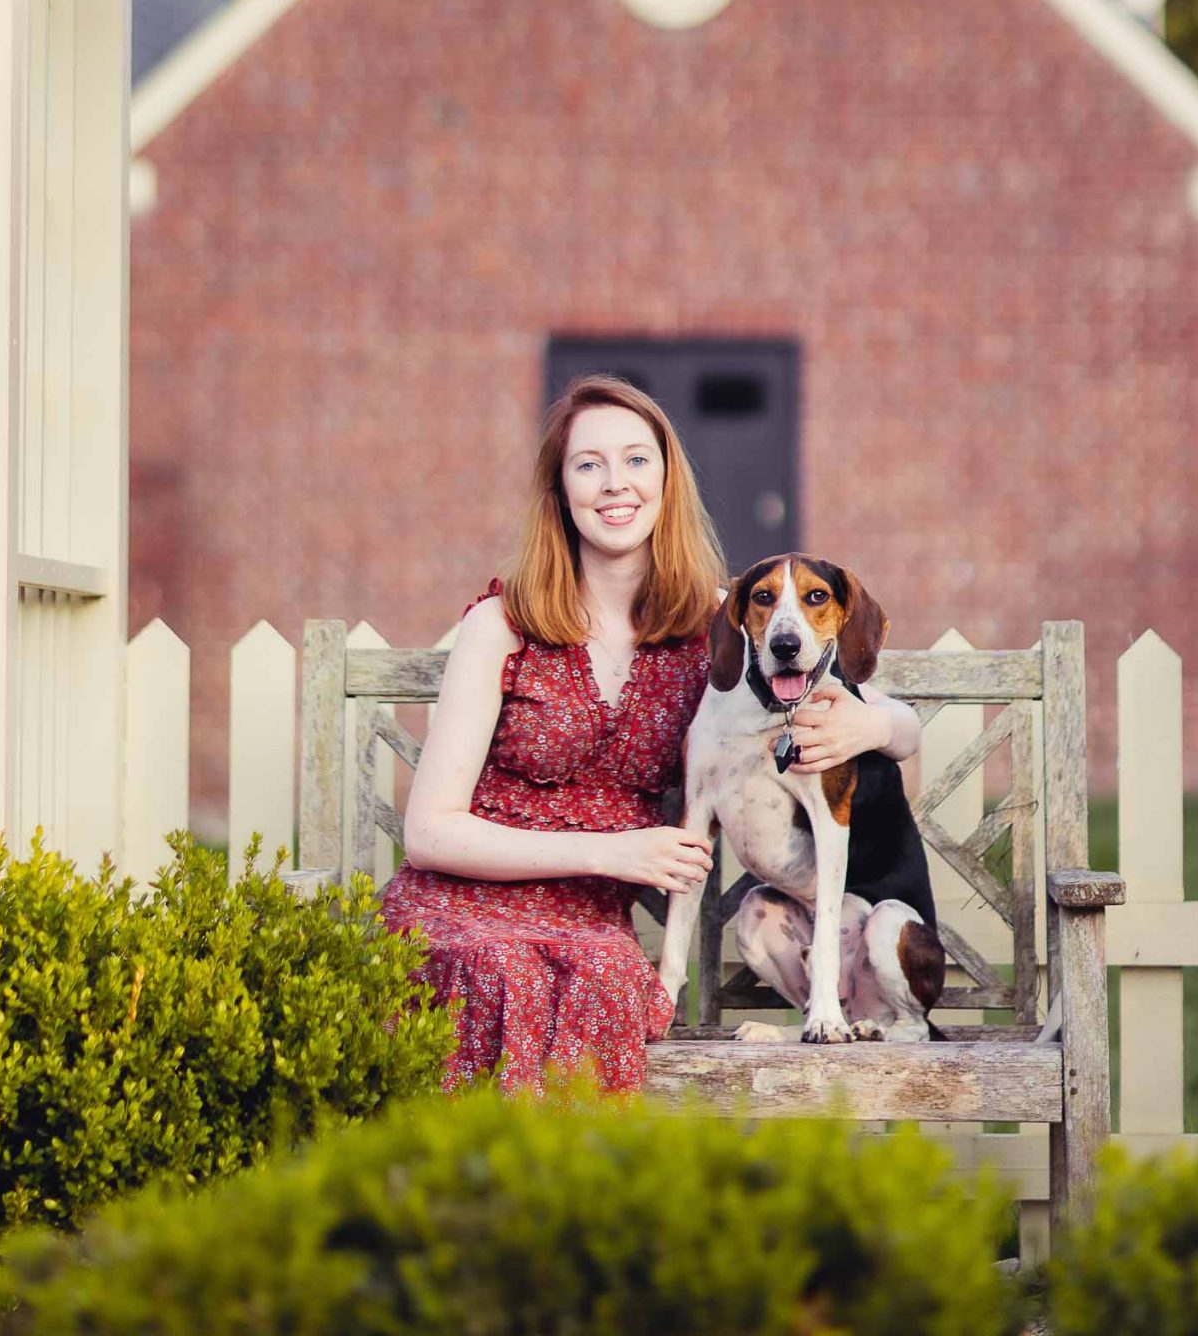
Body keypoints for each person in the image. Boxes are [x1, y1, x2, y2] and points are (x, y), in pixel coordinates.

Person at [381, 373, 923, 1092]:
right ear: (560, 490)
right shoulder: (500, 625)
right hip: (465, 904)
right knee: (500, 969)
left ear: (668, 483)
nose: (615, 484)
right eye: (588, 464)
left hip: (589, 923)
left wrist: (870, 722)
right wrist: (617, 849)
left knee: (607, 980)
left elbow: (898, 732)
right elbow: (429, 833)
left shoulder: (725, 622)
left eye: (637, 460)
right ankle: (469, 1199)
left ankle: (579, 1200)